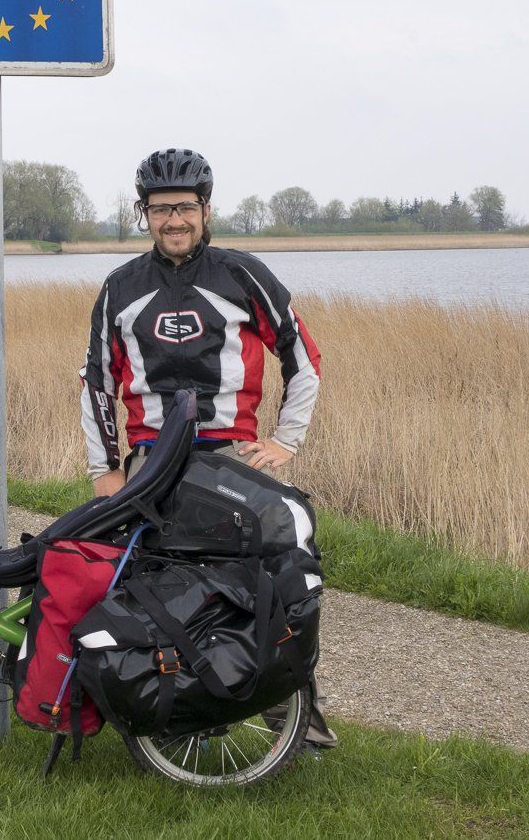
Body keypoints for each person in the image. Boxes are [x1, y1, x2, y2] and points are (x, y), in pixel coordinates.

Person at [78, 146, 336, 749]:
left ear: (206, 208)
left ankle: (290, 702)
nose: (174, 220)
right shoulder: (120, 289)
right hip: (152, 463)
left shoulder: (242, 275)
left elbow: (304, 359)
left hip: (229, 458)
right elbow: (95, 381)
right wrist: (105, 470)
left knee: (279, 560)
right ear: (143, 213)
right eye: (160, 209)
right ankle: (161, 705)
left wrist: (284, 442)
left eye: (185, 207)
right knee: (154, 581)